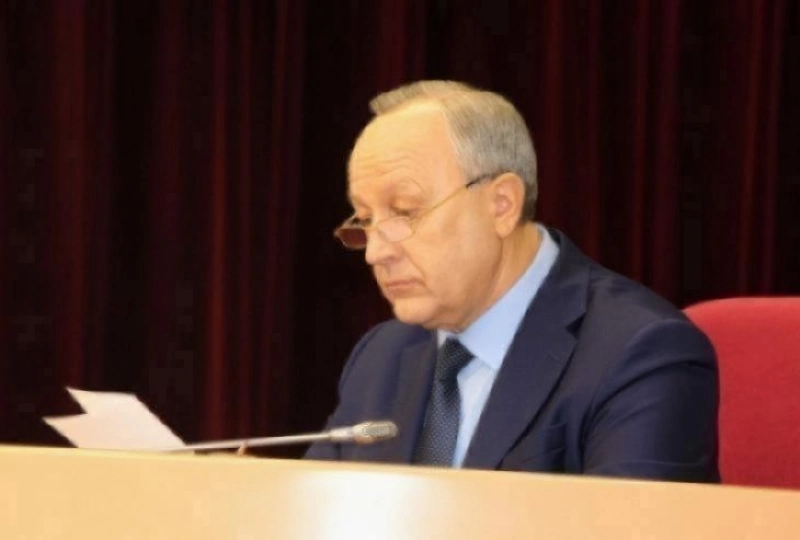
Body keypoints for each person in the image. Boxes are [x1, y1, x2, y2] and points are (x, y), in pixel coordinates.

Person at [305, 80, 719, 482]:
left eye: (405, 212)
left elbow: (630, 521)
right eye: (365, 220)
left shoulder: (640, 353)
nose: (376, 252)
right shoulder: (382, 356)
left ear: (501, 205)